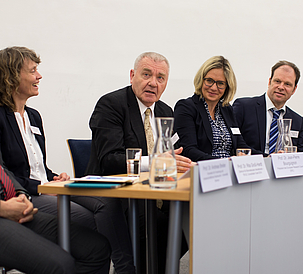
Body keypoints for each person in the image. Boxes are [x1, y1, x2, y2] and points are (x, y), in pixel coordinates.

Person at [0, 46, 135, 274]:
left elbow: (36, 165)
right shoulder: (2, 117)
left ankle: (125, 267)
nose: (39, 76)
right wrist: (43, 186)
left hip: (46, 186)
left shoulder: (33, 116)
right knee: (94, 224)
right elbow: (8, 173)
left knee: (108, 203)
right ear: (13, 76)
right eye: (32, 71)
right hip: (30, 192)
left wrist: (52, 176)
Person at [86, 52, 192, 273]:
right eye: (146, 74)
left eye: (160, 78)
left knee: (192, 220)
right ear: (132, 75)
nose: (153, 83)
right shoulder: (111, 104)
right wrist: (153, 162)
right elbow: (109, 161)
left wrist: (184, 164)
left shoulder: (165, 111)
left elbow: (174, 152)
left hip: (159, 191)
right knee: (157, 226)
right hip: (121, 197)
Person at [0, 151, 111, 274]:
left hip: (12, 204)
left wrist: (21, 194)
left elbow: (3, 169)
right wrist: (4, 208)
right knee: (62, 265)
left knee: (97, 248)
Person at [173, 56, 254, 162]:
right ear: (201, 80)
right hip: (203, 171)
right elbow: (189, 150)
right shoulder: (186, 107)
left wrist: (268, 157)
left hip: (230, 170)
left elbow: (241, 146)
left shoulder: (227, 109)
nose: (214, 88)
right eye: (209, 81)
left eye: (220, 83)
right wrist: (225, 162)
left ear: (227, 87)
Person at [232, 60, 303, 156]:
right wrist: (269, 158)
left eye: (287, 84)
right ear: (269, 82)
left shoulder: (297, 121)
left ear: (294, 89)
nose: (281, 87)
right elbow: (235, 144)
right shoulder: (244, 107)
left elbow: (300, 155)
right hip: (252, 167)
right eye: (277, 81)